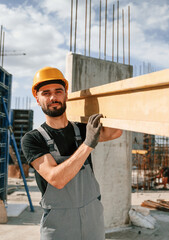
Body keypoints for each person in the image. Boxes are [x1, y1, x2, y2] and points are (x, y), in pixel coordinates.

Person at [21, 66, 122, 240]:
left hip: (93, 219)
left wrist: (107, 105)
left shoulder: (82, 129)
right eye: (45, 93)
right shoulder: (33, 139)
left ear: (66, 95)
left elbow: (115, 132)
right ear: (37, 99)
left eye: (58, 91)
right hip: (59, 225)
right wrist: (88, 143)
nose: (53, 97)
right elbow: (56, 179)